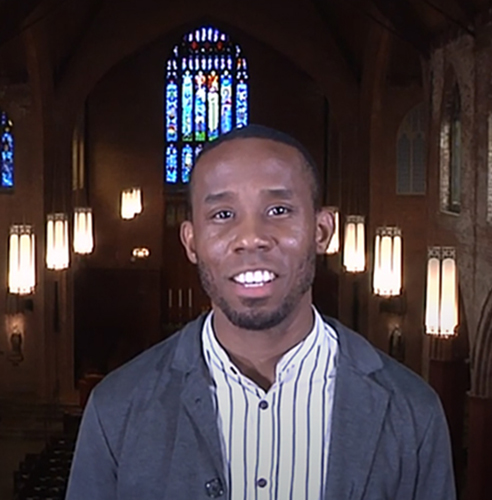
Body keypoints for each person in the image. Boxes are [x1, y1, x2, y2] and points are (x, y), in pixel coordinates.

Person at [66, 125, 456, 500]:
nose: (251, 237)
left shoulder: (412, 412)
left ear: (322, 231)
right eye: (222, 215)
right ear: (191, 241)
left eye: (279, 209)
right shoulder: (116, 409)